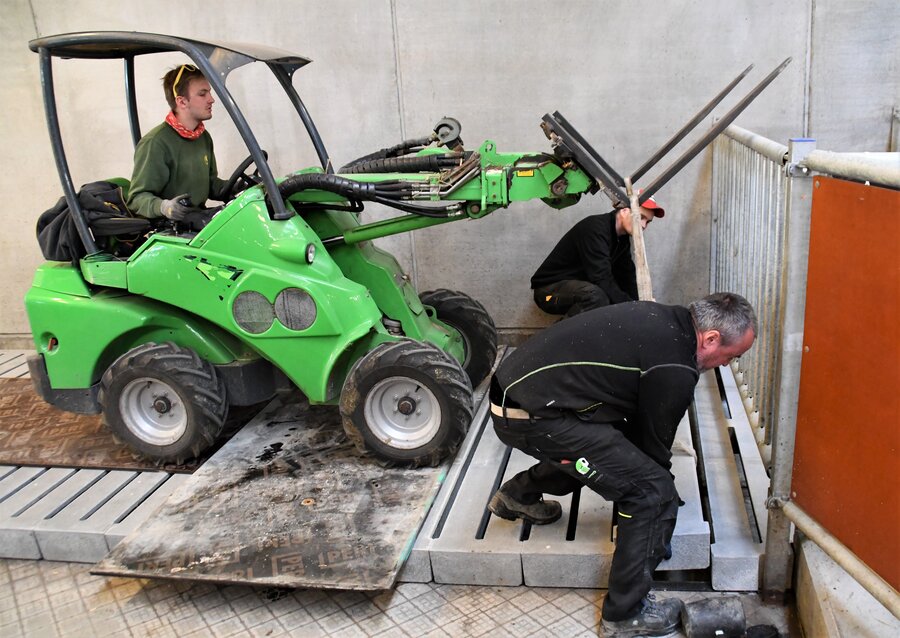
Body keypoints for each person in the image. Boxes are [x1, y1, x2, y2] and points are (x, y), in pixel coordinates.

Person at [487, 292, 757, 637]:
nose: (725, 364)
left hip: (523, 392)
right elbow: (653, 455)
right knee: (650, 492)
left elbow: (637, 442)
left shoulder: (667, 319)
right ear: (711, 338)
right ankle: (625, 614)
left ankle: (518, 495)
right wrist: (660, 519)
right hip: (529, 416)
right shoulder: (674, 368)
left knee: (611, 453)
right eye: (730, 356)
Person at [530, 197, 665, 318]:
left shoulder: (622, 239)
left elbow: (626, 275)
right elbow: (601, 278)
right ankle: (556, 342)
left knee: (606, 296)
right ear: (624, 211)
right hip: (548, 292)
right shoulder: (595, 228)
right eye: (640, 217)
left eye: (648, 221)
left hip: (578, 288)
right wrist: (631, 306)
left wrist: (641, 303)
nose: (643, 225)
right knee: (596, 297)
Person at [127, 64, 231, 221]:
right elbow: (136, 199)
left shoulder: (203, 137)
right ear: (182, 102)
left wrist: (236, 186)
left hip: (197, 219)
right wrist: (165, 207)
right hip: (169, 227)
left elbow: (210, 185)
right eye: (203, 94)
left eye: (209, 92)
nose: (211, 99)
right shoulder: (156, 143)